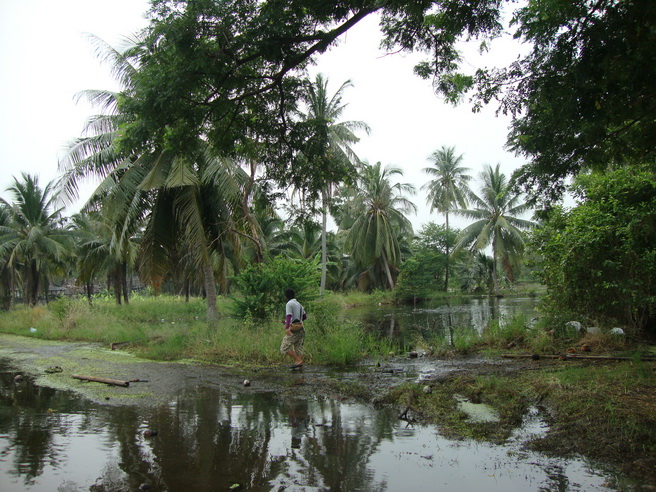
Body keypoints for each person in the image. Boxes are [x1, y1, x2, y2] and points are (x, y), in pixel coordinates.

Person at [281, 288, 306, 369]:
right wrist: (287, 322)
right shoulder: (299, 305)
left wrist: (287, 328)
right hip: (301, 329)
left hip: (294, 330)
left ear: (286, 296)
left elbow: (289, 315)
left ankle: (298, 360)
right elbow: (304, 317)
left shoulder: (289, 304)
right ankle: (299, 367)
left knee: (284, 347)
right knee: (297, 348)